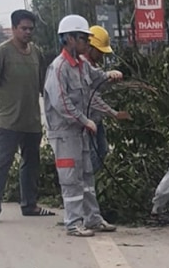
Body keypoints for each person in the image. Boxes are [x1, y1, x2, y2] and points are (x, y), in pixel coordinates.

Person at [43, 14, 121, 237]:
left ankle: (92, 218)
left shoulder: (80, 66)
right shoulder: (58, 68)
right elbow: (61, 103)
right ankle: (73, 222)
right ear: (68, 39)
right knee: (71, 179)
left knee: (87, 176)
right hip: (65, 133)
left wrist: (110, 76)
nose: (87, 43)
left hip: (80, 132)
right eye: (83, 38)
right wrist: (84, 120)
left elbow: (95, 80)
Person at [0, 9, 51, 223]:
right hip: (8, 122)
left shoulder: (36, 53)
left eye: (31, 29)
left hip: (32, 122)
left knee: (31, 164)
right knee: (2, 163)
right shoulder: (2, 52)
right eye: (23, 28)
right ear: (14, 29)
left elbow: (43, 86)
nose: (28, 32)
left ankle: (29, 204)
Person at [82, 25, 131, 173]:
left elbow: (99, 86)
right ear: (90, 47)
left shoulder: (93, 66)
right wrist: (114, 114)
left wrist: (110, 80)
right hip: (87, 122)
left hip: (96, 121)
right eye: (100, 52)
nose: (102, 56)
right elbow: (92, 98)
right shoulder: (83, 66)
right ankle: (93, 187)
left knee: (103, 152)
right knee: (93, 158)